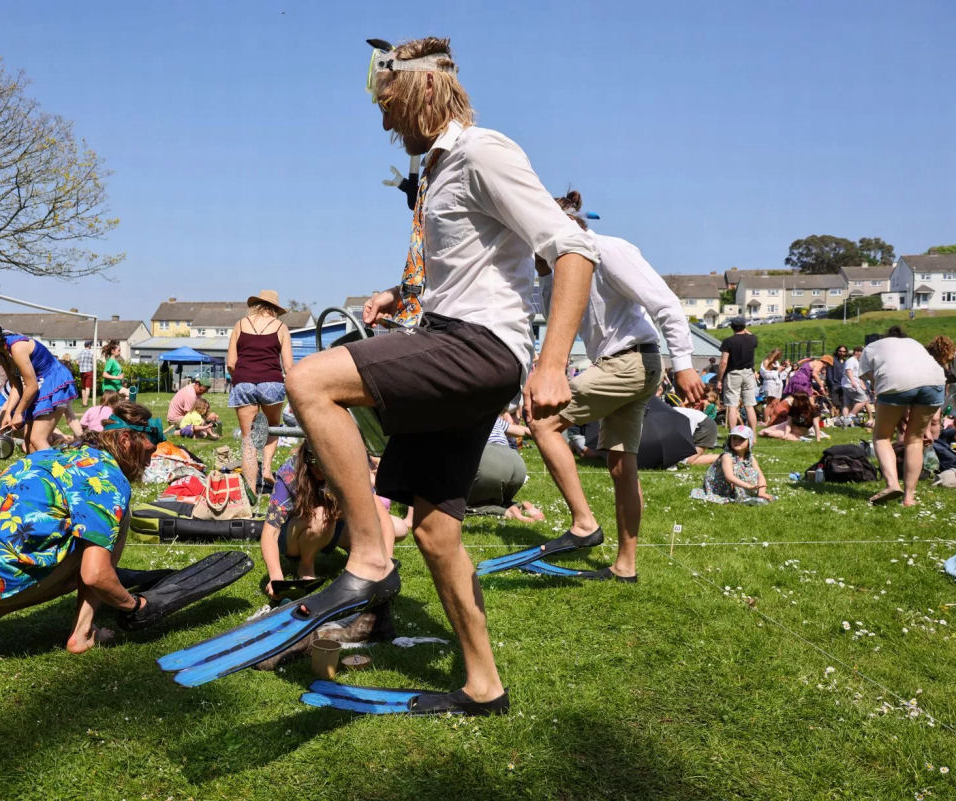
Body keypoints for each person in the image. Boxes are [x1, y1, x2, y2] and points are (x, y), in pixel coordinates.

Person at [277, 36, 601, 714]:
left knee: (310, 379)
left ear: (421, 90)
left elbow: (572, 248)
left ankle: (368, 557)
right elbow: (470, 263)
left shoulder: (485, 151)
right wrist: (401, 294)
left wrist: (552, 363)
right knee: (435, 529)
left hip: (480, 347)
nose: (383, 119)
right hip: (453, 335)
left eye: (387, 102)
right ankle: (485, 684)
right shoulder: (435, 172)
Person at [528, 190, 704, 583]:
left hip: (632, 362)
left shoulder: (609, 250)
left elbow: (666, 305)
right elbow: (547, 313)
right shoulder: (563, 269)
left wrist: (685, 366)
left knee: (543, 422)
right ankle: (625, 567)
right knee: (622, 467)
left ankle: (584, 523)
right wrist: (543, 272)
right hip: (620, 365)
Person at [0, 402, 163, 665]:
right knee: (108, 534)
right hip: (0, 573)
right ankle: (82, 633)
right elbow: (96, 576)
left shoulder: (62, 453)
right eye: (149, 451)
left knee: (81, 535)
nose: (150, 461)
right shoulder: (108, 477)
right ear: (127, 440)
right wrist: (134, 606)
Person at [259, 441, 404, 601]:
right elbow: (269, 533)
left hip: (331, 528)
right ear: (307, 461)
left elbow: (383, 519)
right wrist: (275, 576)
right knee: (321, 515)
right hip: (294, 537)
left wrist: (387, 563)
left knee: (400, 528)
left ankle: (362, 554)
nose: (319, 472)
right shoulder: (290, 473)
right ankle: (306, 566)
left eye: (325, 467)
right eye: (315, 466)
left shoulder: (347, 470)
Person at [0, 317, 78, 454]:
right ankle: (37, 474)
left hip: (53, 381)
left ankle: (60, 473)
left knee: (38, 439)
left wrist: (18, 413)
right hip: (39, 384)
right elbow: (16, 385)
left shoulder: (17, 348)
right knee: (28, 442)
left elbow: (32, 386)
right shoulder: (2, 354)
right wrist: (8, 413)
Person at [861, 326, 945, 506]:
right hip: (935, 381)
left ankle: (892, 484)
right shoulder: (914, 344)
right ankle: (909, 498)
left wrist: (896, 411)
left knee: (882, 436)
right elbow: (917, 380)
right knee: (915, 440)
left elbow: (878, 382)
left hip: (896, 381)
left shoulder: (871, 348)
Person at [228, 290, 293, 494]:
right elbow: (288, 367)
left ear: (255, 305)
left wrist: (241, 377)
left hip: (244, 382)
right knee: (273, 426)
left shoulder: (240, 324)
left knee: (248, 438)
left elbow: (231, 363)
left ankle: (250, 489)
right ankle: (266, 470)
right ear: (275, 309)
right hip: (271, 383)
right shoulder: (281, 327)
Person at [466, 411, 545, 521]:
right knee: (498, 499)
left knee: (462, 504)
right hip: (515, 463)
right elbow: (521, 431)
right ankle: (520, 507)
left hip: (488, 459)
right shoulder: (493, 418)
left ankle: (507, 512)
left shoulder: (461, 417)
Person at [690, 425, 772, 504]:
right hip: (721, 489)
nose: (737, 441)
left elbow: (760, 476)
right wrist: (748, 486)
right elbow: (729, 477)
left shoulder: (750, 458)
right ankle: (738, 493)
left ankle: (745, 493)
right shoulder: (727, 456)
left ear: (749, 442)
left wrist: (761, 492)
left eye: (741, 439)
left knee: (754, 472)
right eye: (734, 438)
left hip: (741, 486)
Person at [716, 317, 758, 431]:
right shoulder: (753, 339)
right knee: (749, 406)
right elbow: (750, 334)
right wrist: (745, 329)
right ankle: (753, 435)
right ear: (744, 327)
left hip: (733, 374)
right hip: (749, 373)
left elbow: (723, 362)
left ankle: (733, 435)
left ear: (731, 327)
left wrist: (719, 380)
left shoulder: (728, 341)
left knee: (732, 406)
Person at [841, 345, 870, 425]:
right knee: (864, 399)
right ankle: (850, 417)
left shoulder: (855, 361)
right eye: (862, 353)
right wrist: (853, 381)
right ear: (857, 352)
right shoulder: (851, 360)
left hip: (847, 384)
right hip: (851, 384)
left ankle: (844, 421)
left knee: (847, 404)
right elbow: (848, 370)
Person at [759, 348, 785, 425]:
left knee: (776, 403)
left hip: (778, 384)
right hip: (770, 384)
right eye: (777, 356)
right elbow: (765, 374)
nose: (778, 358)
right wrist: (778, 371)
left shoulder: (776, 362)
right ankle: (766, 421)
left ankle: (772, 420)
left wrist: (781, 370)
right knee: (770, 404)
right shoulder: (766, 361)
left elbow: (777, 373)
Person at [825, 345, 849, 412]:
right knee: (834, 403)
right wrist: (832, 384)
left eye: (844, 352)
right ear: (837, 351)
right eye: (840, 351)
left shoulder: (846, 362)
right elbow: (829, 373)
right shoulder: (832, 360)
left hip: (843, 385)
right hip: (834, 385)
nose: (842, 353)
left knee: (843, 403)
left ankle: (841, 418)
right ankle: (833, 418)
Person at [76, 341, 96, 406]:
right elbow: (94, 362)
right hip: (89, 371)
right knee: (88, 387)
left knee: (83, 387)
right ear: (89, 345)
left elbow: (77, 362)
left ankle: (83, 401)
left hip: (82, 371)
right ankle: (85, 402)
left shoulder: (80, 352)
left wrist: (81, 365)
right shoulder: (91, 353)